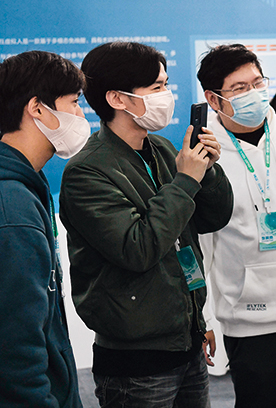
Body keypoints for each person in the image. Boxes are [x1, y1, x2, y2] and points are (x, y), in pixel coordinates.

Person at [59, 42, 234, 407]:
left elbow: (212, 218)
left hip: (186, 341)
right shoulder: (87, 171)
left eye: (165, 85)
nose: (166, 96)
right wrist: (185, 181)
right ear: (117, 99)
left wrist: (208, 170)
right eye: (156, 87)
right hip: (135, 363)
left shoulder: (162, 149)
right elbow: (137, 249)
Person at [196, 44, 276, 407]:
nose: (253, 93)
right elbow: (200, 246)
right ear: (214, 99)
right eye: (239, 88)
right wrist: (203, 317)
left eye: (257, 83)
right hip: (249, 322)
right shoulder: (204, 155)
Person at [0, 51, 86, 407]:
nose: (81, 115)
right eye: (74, 103)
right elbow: (16, 342)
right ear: (37, 108)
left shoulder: (26, 183)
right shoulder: (12, 206)